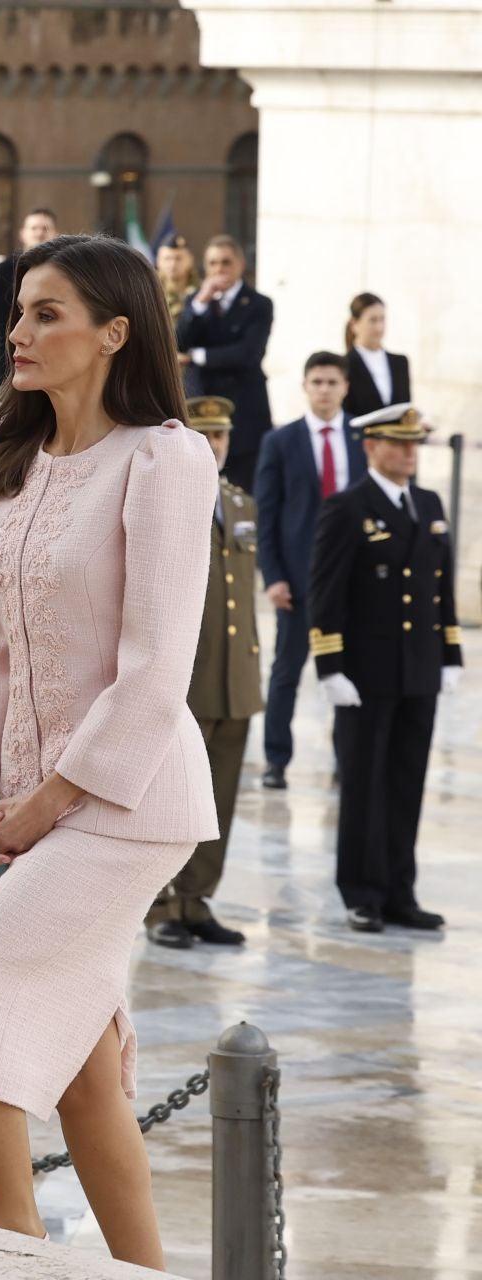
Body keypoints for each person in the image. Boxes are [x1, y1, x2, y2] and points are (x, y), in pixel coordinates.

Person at [0, 234, 218, 1268]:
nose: (18, 332)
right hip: (28, 794)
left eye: (45, 314)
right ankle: (145, 1268)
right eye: (17, 311)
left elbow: (156, 665)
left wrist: (49, 801)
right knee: (83, 1071)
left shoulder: (166, 456)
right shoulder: (5, 449)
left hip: (131, 805)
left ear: (114, 333)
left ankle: (13, 1223)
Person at [309, 404, 461, 934]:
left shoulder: (428, 502)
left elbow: (440, 588)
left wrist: (451, 654)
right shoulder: (348, 507)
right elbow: (325, 594)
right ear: (371, 446)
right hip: (365, 673)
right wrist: (330, 666)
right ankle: (362, 892)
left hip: (418, 670)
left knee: (405, 782)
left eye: (415, 442)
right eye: (399, 442)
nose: (410, 452)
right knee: (364, 784)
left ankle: (400, 891)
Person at [146, 397, 263, 950]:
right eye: (206, 435)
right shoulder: (170, 499)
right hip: (186, 679)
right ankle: (160, 905)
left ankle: (197, 901)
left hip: (233, 679)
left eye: (222, 436)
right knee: (170, 800)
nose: (215, 446)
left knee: (217, 799)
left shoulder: (240, 503)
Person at [252, 352, 365, 789]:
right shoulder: (281, 442)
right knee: (286, 672)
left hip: (352, 582)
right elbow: (266, 515)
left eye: (332, 382)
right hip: (297, 583)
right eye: (316, 381)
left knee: (350, 672)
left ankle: (347, 760)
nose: (324, 389)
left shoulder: (361, 438)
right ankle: (276, 760)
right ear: (305, 386)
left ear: (345, 386)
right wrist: (273, 575)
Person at [175, 234, 273, 492]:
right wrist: (199, 304)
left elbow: (247, 353)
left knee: (241, 491)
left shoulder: (258, 304)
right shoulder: (196, 301)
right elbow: (178, 342)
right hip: (201, 408)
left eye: (226, 262)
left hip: (243, 412)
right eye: (213, 263)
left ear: (240, 264)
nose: (219, 269)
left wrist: (197, 357)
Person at [0, 208, 59, 387]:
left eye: (45, 228)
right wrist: (17, 339)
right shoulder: (5, 269)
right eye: (34, 228)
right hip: (12, 352)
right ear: (23, 234)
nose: (39, 233)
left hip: (52, 352)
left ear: (56, 234)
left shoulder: (64, 272)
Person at [343, 292, 413, 420]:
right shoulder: (344, 365)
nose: (379, 327)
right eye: (372, 320)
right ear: (354, 324)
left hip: (396, 439)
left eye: (382, 319)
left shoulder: (400, 363)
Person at [155, 234, 198, 326]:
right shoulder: (150, 292)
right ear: (158, 261)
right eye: (167, 258)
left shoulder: (202, 292)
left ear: (191, 260)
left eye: (179, 258)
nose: (173, 264)